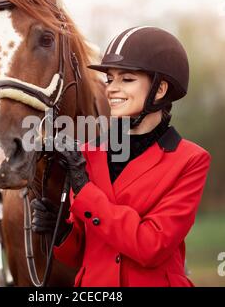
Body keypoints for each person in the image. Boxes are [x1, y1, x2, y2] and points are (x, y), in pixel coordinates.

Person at [31, 26, 211, 287]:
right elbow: (84, 254)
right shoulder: (88, 154)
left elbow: (151, 246)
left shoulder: (190, 160)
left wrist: (85, 189)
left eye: (126, 79)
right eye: (110, 79)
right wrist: (61, 231)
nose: (111, 89)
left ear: (159, 89)